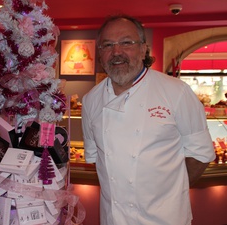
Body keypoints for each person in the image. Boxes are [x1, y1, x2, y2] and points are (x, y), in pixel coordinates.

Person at [81, 15, 215, 225]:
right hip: (113, 219)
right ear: (100, 53)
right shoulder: (90, 101)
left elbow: (201, 153)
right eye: (108, 45)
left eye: (126, 42)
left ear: (143, 49)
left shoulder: (176, 92)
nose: (116, 52)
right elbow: (95, 158)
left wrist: (168, 195)